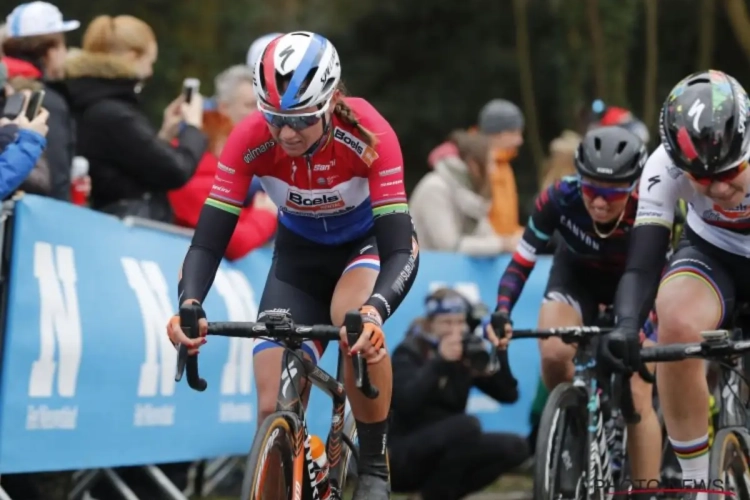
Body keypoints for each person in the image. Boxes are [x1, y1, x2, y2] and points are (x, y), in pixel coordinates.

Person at [166, 31, 417, 500]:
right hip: (298, 260)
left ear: (332, 100)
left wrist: (376, 311)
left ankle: (375, 466)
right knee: (270, 407)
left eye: (300, 120)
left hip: (365, 248)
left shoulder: (368, 132)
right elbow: (207, 242)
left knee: (353, 324)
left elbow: (400, 248)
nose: (285, 133)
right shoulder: (249, 139)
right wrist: (190, 302)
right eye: (276, 118)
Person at [599, 70, 750, 500]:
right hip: (712, 253)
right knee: (676, 320)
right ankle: (697, 484)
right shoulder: (662, 167)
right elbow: (643, 266)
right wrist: (627, 326)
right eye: (700, 179)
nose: (719, 187)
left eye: (732, 171)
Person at [488, 126, 662, 493]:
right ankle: (572, 428)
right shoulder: (559, 197)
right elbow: (522, 261)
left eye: (611, 194)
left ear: (632, 187)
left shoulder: (654, 201)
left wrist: (637, 331)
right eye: (591, 189)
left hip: (639, 286)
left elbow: (666, 272)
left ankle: (647, 489)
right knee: (553, 352)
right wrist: (503, 309)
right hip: (576, 279)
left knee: (637, 392)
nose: (599, 203)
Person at [64, 15, 207, 222]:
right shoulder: (114, 113)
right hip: (127, 230)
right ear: (132, 57)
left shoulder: (92, 99)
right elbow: (175, 170)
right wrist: (193, 128)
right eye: (150, 62)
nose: (150, 73)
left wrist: (164, 136)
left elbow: (133, 164)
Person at [389, 288, 527, 500]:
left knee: (515, 447)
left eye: (459, 322)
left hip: (451, 445)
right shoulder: (410, 350)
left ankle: (431, 496)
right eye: (447, 323)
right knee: (468, 426)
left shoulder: (465, 353)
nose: (454, 330)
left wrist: (497, 352)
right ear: (431, 323)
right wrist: (439, 362)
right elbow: (405, 403)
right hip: (403, 453)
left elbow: (510, 395)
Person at [168, 110, 277, 259]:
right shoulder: (192, 186)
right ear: (219, 144)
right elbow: (235, 242)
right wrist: (265, 214)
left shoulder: (205, 181)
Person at [3, 1, 78, 201]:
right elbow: (56, 176)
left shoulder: (5, 88)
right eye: (63, 44)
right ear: (50, 50)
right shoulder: (46, 100)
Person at [410, 130, 511, 255]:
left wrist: (510, 243)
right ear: (473, 165)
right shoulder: (435, 188)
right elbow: (450, 246)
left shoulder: (467, 193)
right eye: (490, 162)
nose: (493, 170)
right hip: (425, 271)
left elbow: (486, 236)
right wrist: (502, 245)